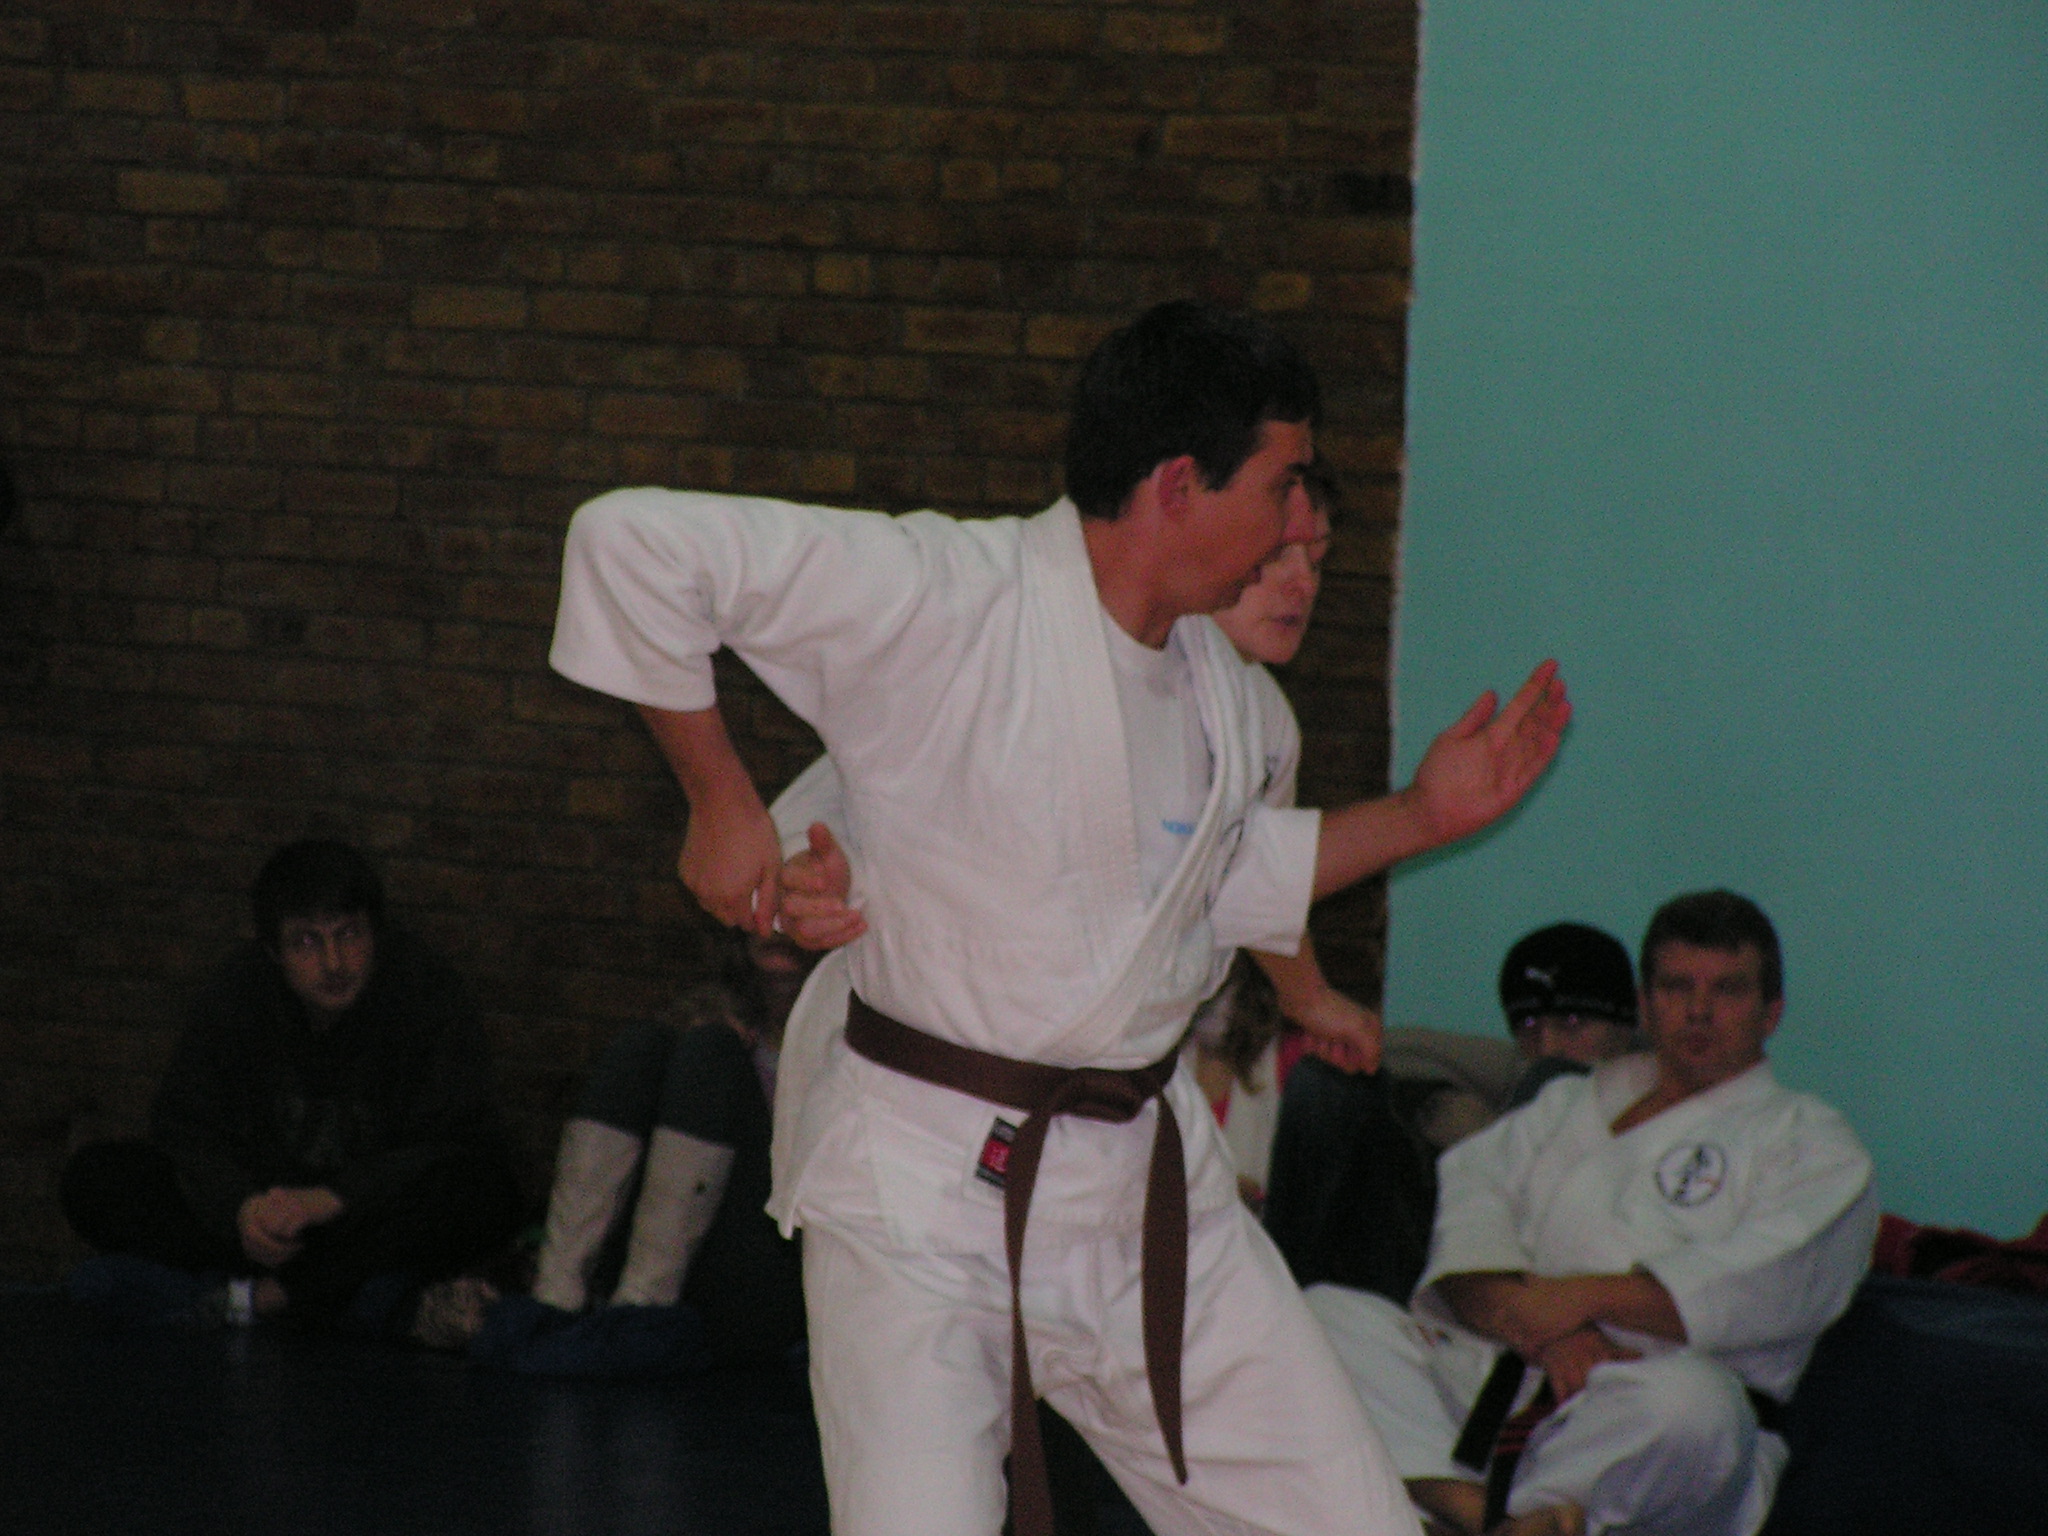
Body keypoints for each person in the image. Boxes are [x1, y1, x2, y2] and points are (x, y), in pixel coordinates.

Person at [548, 299, 1570, 1536]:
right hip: (922, 1203)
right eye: (1282, 486)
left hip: (1143, 1183)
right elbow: (630, 542)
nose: (1298, 525)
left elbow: (1224, 882)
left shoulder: (1229, 698)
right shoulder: (945, 595)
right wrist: (718, 803)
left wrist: (1421, 814)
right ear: (1178, 486)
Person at [1306, 891, 1878, 1536]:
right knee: (1323, 1316)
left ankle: (1477, 1510)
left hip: (1635, 1412)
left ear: (1771, 1011)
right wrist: (1550, 1331)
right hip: (1497, 1373)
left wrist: (1575, 1301)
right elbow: (1469, 1225)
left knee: (1695, 1409)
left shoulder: (1809, 1141)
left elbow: (1760, 1285)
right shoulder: (1565, 1104)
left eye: (1727, 990)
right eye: (1676, 987)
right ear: (1644, 1004)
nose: (1698, 1010)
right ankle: (1481, 1514)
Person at [60, 839, 523, 1342]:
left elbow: (449, 1142)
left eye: (349, 935)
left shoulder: (426, 994)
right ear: (273, 952)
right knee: (95, 1178)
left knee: (485, 1193)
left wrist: (334, 1197)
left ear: (376, 934)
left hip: (359, 1218)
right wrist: (241, 1208)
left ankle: (266, 1298)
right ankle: (338, 1297)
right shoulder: (237, 995)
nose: (334, 962)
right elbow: (185, 1127)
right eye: (306, 942)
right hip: (270, 1224)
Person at [466, 928, 812, 1376]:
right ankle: (557, 1294)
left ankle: (646, 1314)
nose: (779, 927)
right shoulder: (707, 1016)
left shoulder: (847, 1037)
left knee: (713, 1055)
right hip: (662, 1264)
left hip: (769, 1271)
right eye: (769, 908)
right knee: (643, 1046)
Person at [1265, 922, 1641, 1306]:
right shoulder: (1520, 1070)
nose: (1547, 1045)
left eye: (1572, 1023)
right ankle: (1277, 1298)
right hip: (1433, 1263)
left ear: (1628, 1024)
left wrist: (1479, 1133)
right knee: (1324, 1083)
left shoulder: (1658, 1086)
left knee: (1554, 1079)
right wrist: (1443, 1107)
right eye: (1529, 1027)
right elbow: (1396, 1050)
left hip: (1539, 1280)